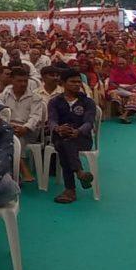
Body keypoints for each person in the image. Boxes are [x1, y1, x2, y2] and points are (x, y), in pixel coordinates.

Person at [47, 69, 97, 204]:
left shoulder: (87, 102)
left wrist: (78, 131)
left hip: (82, 138)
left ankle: (70, 189)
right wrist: (58, 128)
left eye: (79, 82)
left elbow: (89, 123)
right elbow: (51, 121)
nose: (77, 84)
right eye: (72, 82)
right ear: (63, 83)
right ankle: (79, 173)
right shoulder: (54, 101)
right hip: (60, 135)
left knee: (65, 145)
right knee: (64, 142)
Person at [0, 67, 43, 183]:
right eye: (19, 81)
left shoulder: (35, 97)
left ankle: (18, 171)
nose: (23, 84)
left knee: (12, 138)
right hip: (8, 127)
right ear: (12, 80)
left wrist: (25, 128)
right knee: (9, 136)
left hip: (29, 131)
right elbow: (1, 113)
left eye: (25, 81)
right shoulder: (5, 94)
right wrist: (9, 126)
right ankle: (20, 169)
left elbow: (35, 117)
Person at [107, 56, 136, 124]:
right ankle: (120, 111)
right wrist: (119, 87)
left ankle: (124, 115)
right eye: (119, 64)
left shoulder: (131, 70)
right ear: (116, 64)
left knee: (134, 97)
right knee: (113, 94)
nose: (121, 65)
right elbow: (111, 82)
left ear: (126, 63)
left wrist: (132, 86)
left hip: (131, 89)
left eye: (123, 63)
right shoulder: (113, 71)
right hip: (117, 88)